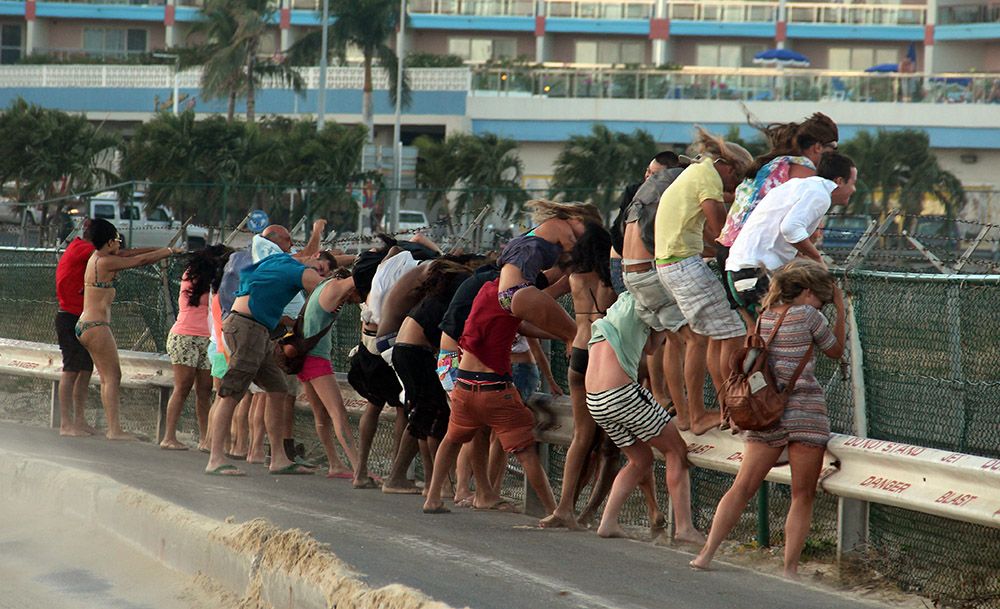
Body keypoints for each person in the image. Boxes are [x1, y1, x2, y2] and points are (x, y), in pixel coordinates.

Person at [690, 259, 845, 577]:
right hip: (806, 414)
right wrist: (840, 310)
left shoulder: (764, 318)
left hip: (766, 413)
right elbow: (835, 350)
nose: (822, 303)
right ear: (804, 292)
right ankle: (789, 569)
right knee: (802, 495)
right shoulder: (810, 316)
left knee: (742, 487)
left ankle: (707, 553)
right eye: (820, 297)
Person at [422, 277, 557, 517]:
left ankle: (435, 497)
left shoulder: (485, 293)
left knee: (454, 439)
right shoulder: (514, 298)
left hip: (463, 382)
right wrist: (570, 334)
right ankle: (554, 511)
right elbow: (542, 310)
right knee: (523, 449)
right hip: (495, 387)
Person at [585, 292, 704, 544]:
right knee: (675, 451)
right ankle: (684, 527)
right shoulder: (648, 298)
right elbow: (660, 345)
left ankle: (608, 522)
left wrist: (659, 327)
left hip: (595, 399)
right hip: (621, 393)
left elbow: (650, 347)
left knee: (640, 459)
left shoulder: (620, 305)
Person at [654, 128, 754, 416]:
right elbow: (722, 230)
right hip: (683, 265)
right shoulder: (708, 176)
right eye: (737, 178)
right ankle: (733, 410)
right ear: (727, 166)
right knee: (735, 333)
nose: (735, 186)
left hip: (671, 264)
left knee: (715, 334)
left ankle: (718, 410)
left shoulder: (696, 172)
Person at [203, 245, 323, 476]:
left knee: (278, 388)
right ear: (312, 260)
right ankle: (215, 459)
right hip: (249, 328)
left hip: (256, 330)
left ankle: (278, 457)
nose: (320, 273)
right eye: (321, 268)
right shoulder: (295, 270)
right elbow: (321, 290)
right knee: (231, 392)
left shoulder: (279, 260)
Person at [540, 223, 617, 529]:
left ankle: (564, 507)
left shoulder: (574, 278)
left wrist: (566, 331)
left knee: (580, 436)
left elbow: (543, 296)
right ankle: (588, 512)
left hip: (579, 351)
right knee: (609, 441)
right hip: (606, 356)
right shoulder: (611, 280)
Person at [75, 219, 180, 440]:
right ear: (111, 241)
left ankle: (114, 427)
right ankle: (114, 429)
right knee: (112, 377)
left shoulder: (99, 258)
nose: (120, 245)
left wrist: (163, 250)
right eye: (117, 240)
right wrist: (168, 252)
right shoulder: (105, 263)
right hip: (96, 326)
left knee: (107, 377)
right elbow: (139, 260)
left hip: (87, 324)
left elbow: (133, 253)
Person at [725, 153, 857, 311]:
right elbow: (790, 228)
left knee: (774, 329)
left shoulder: (796, 186)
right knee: (791, 327)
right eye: (853, 183)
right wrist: (816, 259)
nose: (854, 189)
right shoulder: (820, 194)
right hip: (756, 272)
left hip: (740, 270)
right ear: (839, 181)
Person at [716, 113, 840, 281]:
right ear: (818, 147)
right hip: (753, 255)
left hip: (731, 248)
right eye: (834, 147)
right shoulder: (805, 170)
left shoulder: (774, 163)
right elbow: (795, 225)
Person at [496, 199, 603, 347]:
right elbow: (576, 257)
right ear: (578, 219)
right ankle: (586, 366)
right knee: (577, 336)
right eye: (589, 230)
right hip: (521, 292)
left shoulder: (545, 232)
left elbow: (563, 271)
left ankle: (577, 361)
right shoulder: (560, 226)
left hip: (507, 296)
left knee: (570, 336)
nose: (586, 237)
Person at [160, 245, 231, 450]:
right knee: (182, 387)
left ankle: (205, 438)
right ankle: (169, 436)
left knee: (204, 390)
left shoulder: (210, 280)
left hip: (207, 339)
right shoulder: (199, 278)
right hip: (185, 335)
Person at [297, 267, 364, 479]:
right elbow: (359, 277)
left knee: (322, 416)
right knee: (338, 414)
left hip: (304, 358)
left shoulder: (321, 287)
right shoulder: (335, 288)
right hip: (317, 359)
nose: (356, 300)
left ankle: (335, 463)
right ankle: (358, 469)